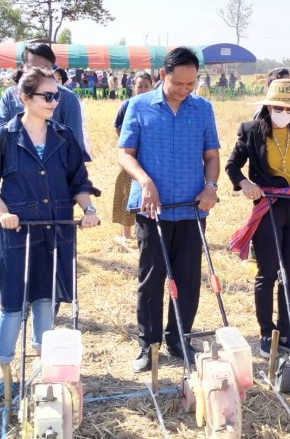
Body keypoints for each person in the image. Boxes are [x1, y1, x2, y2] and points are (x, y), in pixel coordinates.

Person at [0, 68, 99, 393]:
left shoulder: (64, 137)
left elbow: (79, 181)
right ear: (25, 98)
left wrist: (89, 209)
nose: (54, 101)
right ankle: (4, 372)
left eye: (57, 95)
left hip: (56, 230)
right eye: (48, 96)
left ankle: (45, 368)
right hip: (18, 233)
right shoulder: (4, 137)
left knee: (46, 299)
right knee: (13, 305)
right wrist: (3, 213)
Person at [118, 47, 220, 374]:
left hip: (191, 208)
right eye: (178, 83)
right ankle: (148, 344)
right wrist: (144, 181)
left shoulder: (202, 109)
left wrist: (211, 187)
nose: (184, 89)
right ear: (163, 75)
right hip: (152, 209)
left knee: (187, 278)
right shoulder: (139, 106)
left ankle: (179, 339)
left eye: (191, 84)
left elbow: (212, 156)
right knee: (151, 278)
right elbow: (125, 153)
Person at [226, 79, 290, 356]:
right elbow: (232, 165)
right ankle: (266, 333)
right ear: (268, 106)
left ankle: (286, 332)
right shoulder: (251, 130)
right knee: (268, 272)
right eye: (278, 108)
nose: (284, 112)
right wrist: (245, 184)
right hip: (268, 205)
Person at [0, 42, 86, 154]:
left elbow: (76, 148)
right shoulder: (10, 95)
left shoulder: (67, 98)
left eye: (45, 68)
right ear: (22, 67)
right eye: (32, 68)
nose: (38, 73)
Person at [112, 72, 154, 244]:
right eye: (139, 86)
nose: (143, 89)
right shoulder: (127, 105)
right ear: (133, 87)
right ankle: (126, 234)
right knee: (126, 193)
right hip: (131, 158)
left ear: (152, 86)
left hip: (151, 156)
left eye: (146, 86)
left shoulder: (157, 105)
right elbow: (117, 126)